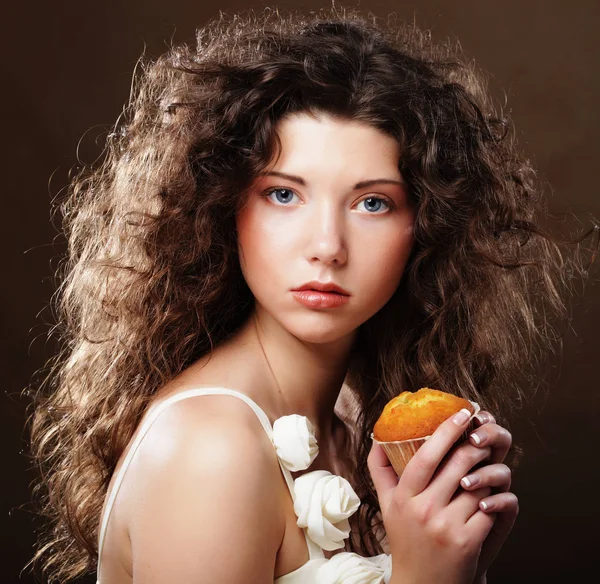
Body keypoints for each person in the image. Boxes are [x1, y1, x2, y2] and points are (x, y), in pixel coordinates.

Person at [27, 5, 596, 584]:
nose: (327, 246)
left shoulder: (353, 415)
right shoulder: (211, 450)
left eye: (373, 202)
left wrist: (461, 558)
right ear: (225, 206)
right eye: (283, 194)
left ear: (426, 228)